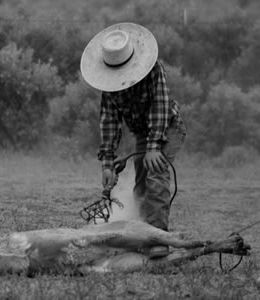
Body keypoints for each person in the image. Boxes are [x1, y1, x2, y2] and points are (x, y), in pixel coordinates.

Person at [80, 23, 186, 258]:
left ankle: (158, 238)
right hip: (143, 134)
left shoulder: (154, 70)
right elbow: (109, 122)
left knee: (155, 175)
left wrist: (154, 147)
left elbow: (160, 106)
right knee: (140, 185)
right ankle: (138, 232)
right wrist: (107, 163)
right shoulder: (109, 87)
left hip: (167, 127)